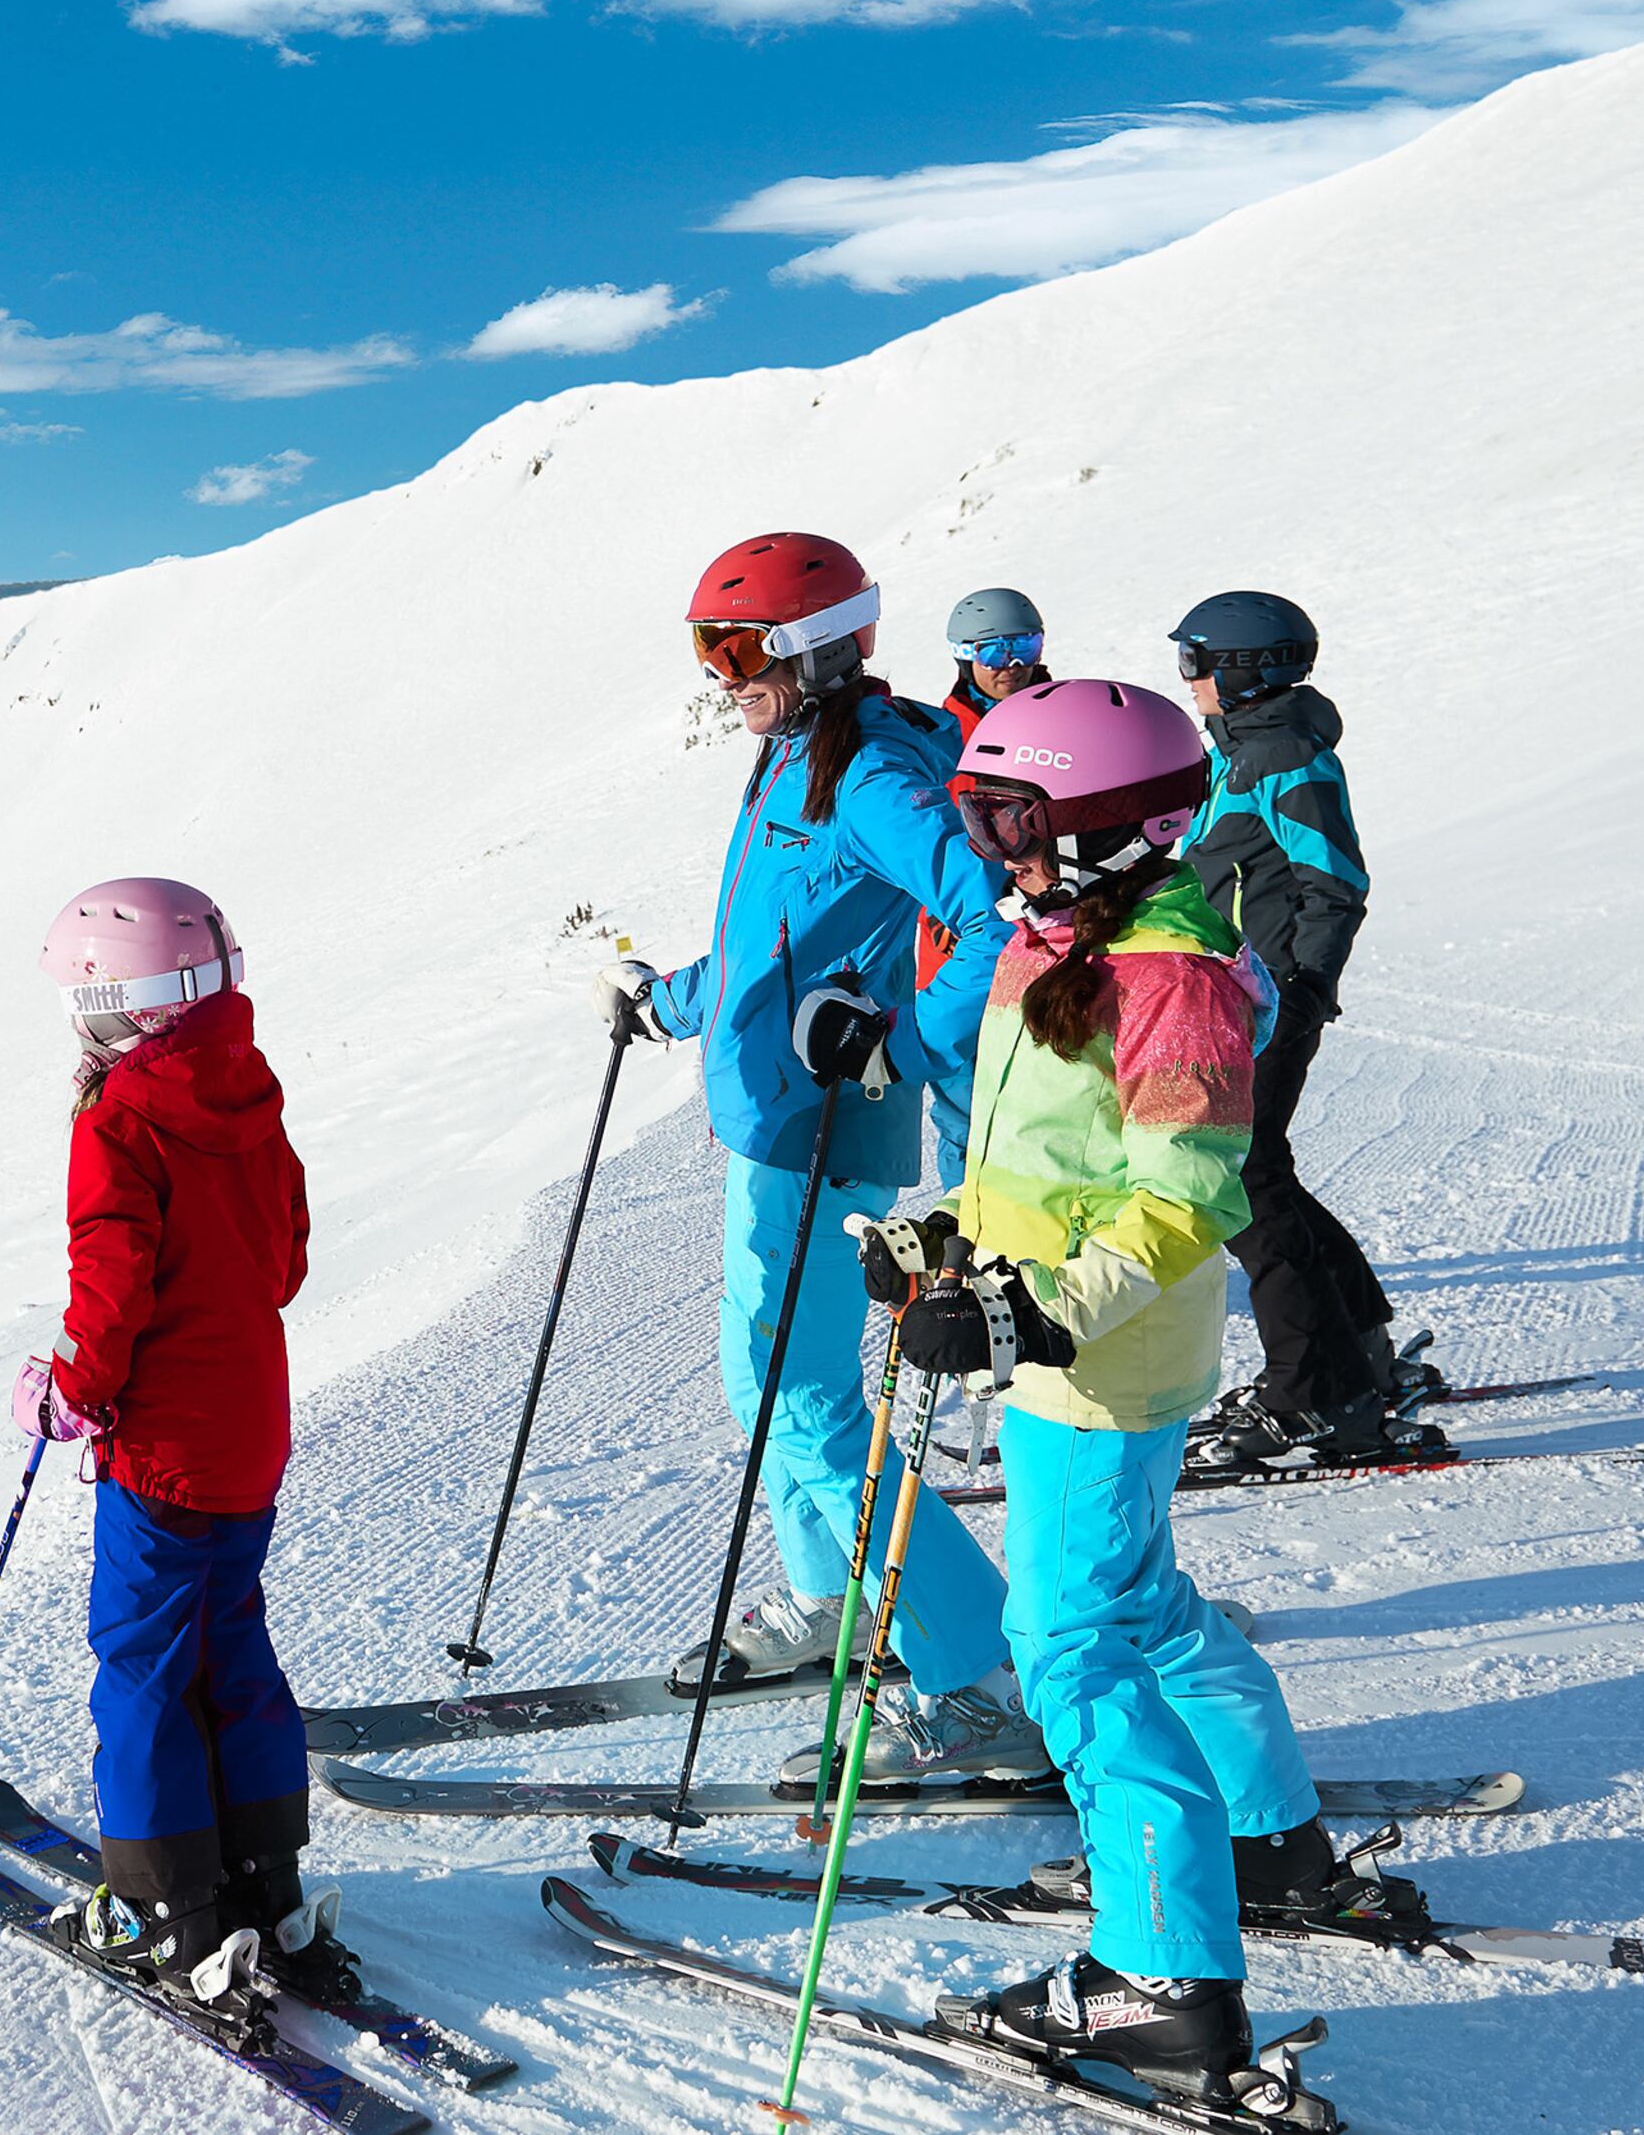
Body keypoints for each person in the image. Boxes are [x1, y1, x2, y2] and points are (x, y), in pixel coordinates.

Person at [868, 678, 1408, 2106]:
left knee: (1075, 1649)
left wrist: (1031, 1311)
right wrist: (949, 1248)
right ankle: (1264, 1834)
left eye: (1013, 817)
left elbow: (1182, 1190)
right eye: (979, 816)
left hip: (1099, 1364)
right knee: (1144, 1607)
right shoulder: (1051, 944)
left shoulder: (1169, 972)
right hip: (1072, 1348)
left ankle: (1161, 1975)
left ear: (1109, 825)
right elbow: (1052, 1166)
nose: (991, 846)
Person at [592, 532, 1039, 1783]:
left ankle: (976, 1677)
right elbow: (769, 950)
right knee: (764, 1391)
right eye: (706, 651)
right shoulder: (794, 756)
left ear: (810, 646)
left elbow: (999, 918)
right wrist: (670, 1003)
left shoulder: (876, 776)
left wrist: (899, 1040)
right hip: (771, 1119)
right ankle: (840, 1602)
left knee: (809, 1405)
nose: (718, 676)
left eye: (734, 649)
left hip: (824, 1124)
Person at [23, 877, 351, 2023]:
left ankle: (172, 1913)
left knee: (146, 1664)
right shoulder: (245, 1088)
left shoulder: (119, 1119)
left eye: (85, 1004)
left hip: (163, 1451)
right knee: (229, 1648)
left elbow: (108, 1286)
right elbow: (285, 1260)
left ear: (126, 1006)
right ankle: (267, 1884)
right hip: (248, 1431)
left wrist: (67, 1387)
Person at [1164, 592, 1441, 1471]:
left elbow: (1335, 881)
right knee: (1262, 1173)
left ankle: (1314, 1394)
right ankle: (1357, 1359)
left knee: (1241, 1182)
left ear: (1245, 670)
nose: (1191, 681)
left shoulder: (1282, 756)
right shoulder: (1247, 751)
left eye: (1196, 662)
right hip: (1243, 990)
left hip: (1266, 998)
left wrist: (1302, 985)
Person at [916, 587, 1054, 1188]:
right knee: (965, 1116)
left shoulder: (1065, 725)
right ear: (962, 655)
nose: (1009, 662)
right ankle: (966, 1256)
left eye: (1023, 644)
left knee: (1048, 1110)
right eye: (990, 649)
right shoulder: (939, 740)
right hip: (958, 949)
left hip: (1048, 940)